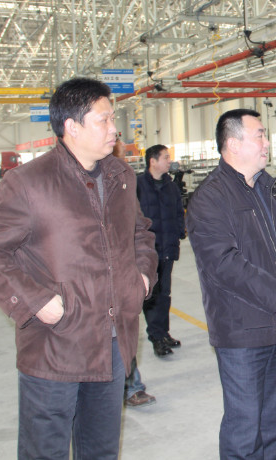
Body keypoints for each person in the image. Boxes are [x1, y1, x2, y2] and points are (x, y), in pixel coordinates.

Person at [0, 77, 158, 460]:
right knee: (45, 452)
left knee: (101, 451)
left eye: (113, 119)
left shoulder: (120, 176)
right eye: (103, 120)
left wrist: (141, 278)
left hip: (113, 343)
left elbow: (140, 233)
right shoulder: (28, 183)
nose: (114, 129)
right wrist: (33, 300)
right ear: (72, 126)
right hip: (55, 347)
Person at [186, 109, 276, 460]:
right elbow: (224, 263)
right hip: (242, 332)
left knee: (270, 424)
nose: (266, 142)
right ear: (233, 144)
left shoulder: (268, 190)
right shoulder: (210, 198)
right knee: (244, 428)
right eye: (260, 135)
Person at [112, 138, 157, 408]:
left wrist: (143, 272)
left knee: (123, 333)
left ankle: (131, 386)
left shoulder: (123, 179)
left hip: (123, 274)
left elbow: (139, 229)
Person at [137, 144, 186, 357]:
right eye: (165, 157)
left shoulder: (171, 186)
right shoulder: (138, 185)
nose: (169, 161)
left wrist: (179, 233)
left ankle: (164, 333)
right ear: (153, 161)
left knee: (164, 293)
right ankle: (156, 336)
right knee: (152, 295)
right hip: (147, 252)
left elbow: (178, 212)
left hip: (167, 248)